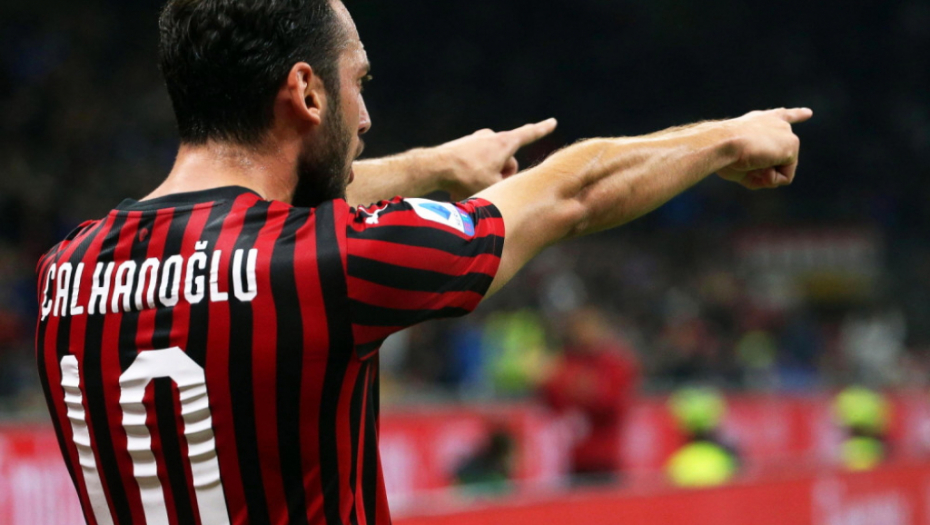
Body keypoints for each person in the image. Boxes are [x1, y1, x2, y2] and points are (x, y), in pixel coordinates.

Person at [33, 0, 811, 523]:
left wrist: (435, 165)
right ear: (306, 90)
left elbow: (248, 218)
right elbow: (569, 193)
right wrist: (728, 138)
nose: (367, 115)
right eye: (358, 82)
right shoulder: (332, 265)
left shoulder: (62, 271)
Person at [541, 307, 639, 484]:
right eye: (579, 329)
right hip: (573, 457)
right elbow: (554, 403)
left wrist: (585, 392)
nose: (584, 335)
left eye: (588, 328)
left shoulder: (614, 364)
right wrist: (546, 383)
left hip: (605, 457)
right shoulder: (568, 362)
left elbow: (613, 404)